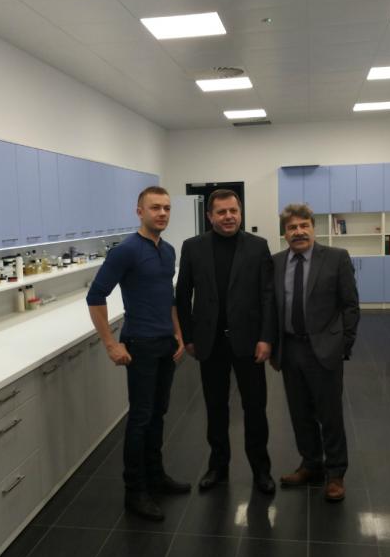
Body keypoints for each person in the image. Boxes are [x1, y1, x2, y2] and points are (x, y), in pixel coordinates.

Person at [86, 185, 189, 521]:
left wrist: (177, 332)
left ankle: (155, 476)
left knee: (159, 413)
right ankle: (135, 491)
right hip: (140, 344)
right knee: (141, 418)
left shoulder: (168, 251)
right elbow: (95, 296)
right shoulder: (125, 251)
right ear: (139, 211)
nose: (162, 213)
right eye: (155, 207)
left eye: (167, 208)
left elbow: (167, 295)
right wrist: (110, 344)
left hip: (164, 343)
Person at [175, 189, 277, 495]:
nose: (229, 216)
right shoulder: (193, 247)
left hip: (249, 341)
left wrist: (266, 337)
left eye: (233, 211)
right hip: (210, 342)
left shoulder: (258, 246)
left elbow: (268, 296)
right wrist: (188, 337)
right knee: (215, 407)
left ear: (240, 213)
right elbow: (183, 296)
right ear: (210, 216)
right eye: (221, 212)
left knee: (255, 408)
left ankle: (261, 470)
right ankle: (218, 467)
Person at [271, 203, 360, 502]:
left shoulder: (336, 258)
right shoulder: (276, 262)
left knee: (329, 414)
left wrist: (343, 344)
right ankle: (311, 464)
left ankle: (335, 473)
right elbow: (272, 306)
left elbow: (350, 305)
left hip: (324, 349)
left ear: (313, 228)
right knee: (299, 412)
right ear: (284, 233)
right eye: (292, 228)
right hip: (290, 348)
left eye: (303, 226)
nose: (298, 232)